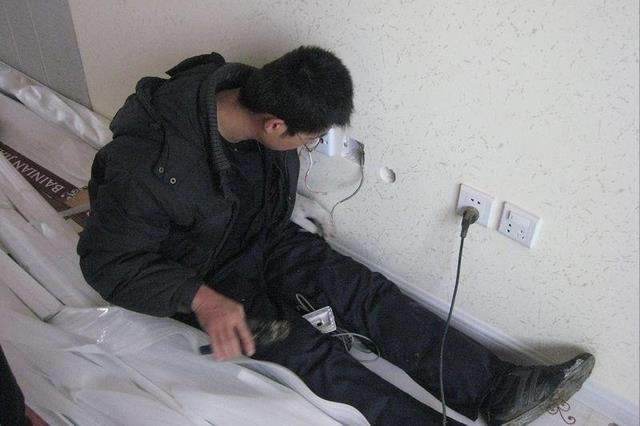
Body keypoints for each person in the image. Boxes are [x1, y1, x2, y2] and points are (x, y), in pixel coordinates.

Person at [78, 46, 594, 425]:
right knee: (307, 353)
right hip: (198, 272)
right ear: (275, 126)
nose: (314, 145)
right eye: (312, 138)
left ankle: (495, 388)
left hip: (259, 235)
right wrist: (201, 298)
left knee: (362, 291)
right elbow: (107, 264)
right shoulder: (148, 168)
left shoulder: (249, 89)